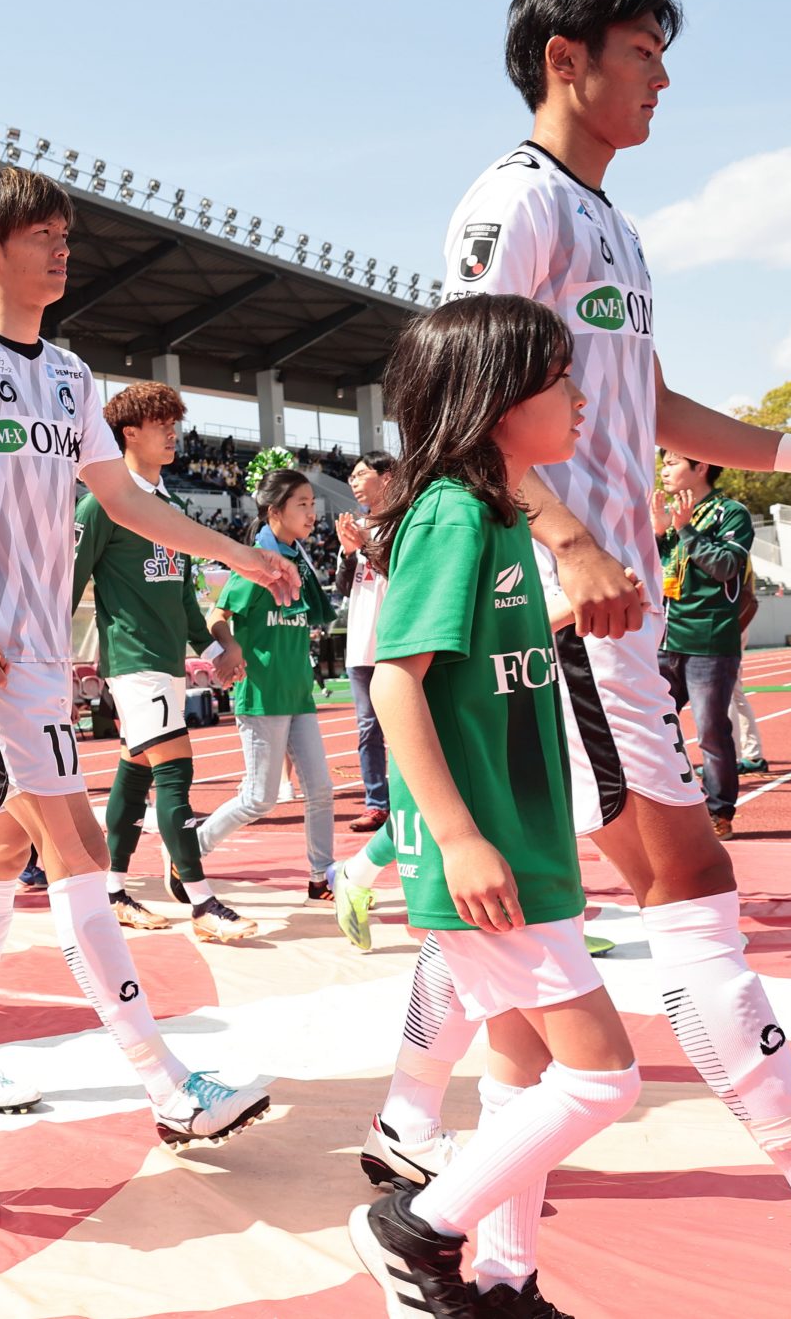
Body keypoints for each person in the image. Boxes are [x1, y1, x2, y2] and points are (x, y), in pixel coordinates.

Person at [393, 0, 791, 1279]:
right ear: (565, 59)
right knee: (683, 888)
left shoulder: (611, 226)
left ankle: (465, 1229)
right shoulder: (513, 206)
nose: (663, 77)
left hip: (615, 606)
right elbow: (462, 401)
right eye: (642, 50)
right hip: (568, 615)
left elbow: (652, 401)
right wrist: (566, 543)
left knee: (534, 947)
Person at [0, 165, 298, 1140]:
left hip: (39, 657)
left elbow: (121, 500)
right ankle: (167, 1085)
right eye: (41, 235)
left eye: (64, 234)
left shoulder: (71, 376)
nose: (61, 249)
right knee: (74, 854)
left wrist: (238, 553)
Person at [347, 293, 639, 1319]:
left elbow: (486, 650)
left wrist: (579, 599)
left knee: (519, 1065)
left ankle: (506, 1281)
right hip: (487, 852)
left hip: (521, 840)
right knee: (603, 1079)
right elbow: (397, 681)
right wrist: (460, 837)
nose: (579, 398)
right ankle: (416, 1226)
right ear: (498, 400)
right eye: (558, 380)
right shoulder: (453, 514)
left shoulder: (499, 513)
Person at [68, 381, 247, 939]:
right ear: (128, 434)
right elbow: (65, 588)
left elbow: (185, 600)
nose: (173, 433)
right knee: (176, 770)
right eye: (161, 424)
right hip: (132, 660)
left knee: (135, 771)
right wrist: (49, 665)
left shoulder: (172, 510)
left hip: (167, 663)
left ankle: (113, 892)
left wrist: (217, 649)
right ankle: (202, 902)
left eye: (175, 423)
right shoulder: (100, 505)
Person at [196, 469, 339, 907]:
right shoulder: (256, 563)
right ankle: (190, 851)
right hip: (262, 696)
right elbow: (216, 616)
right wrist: (231, 647)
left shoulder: (299, 562)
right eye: (302, 504)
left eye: (313, 504)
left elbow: (312, 615)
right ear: (274, 512)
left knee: (321, 790)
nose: (312, 513)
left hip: (298, 695)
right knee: (259, 799)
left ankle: (321, 877)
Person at [653, 450, 754, 839]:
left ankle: (719, 813)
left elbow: (725, 567)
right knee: (653, 726)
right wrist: (658, 535)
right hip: (664, 638)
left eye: (672, 463)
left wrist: (684, 531)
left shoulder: (732, 513)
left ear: (701, 467)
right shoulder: (668, 514)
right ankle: (669, 807)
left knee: (711, 732)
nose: (664, 470)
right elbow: (658, 570)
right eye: (663, 463)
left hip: (710, 640)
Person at [334, 450, 398, 835]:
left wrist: (364, 546)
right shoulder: (355, 527)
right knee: (368, 730)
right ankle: (377, 804)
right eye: (351, 478)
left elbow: (400, 572)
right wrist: (348, 553)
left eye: (360, 474)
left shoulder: (404, 521)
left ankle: (415, 802)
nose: (354, 483)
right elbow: (345, 587)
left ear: (386, 476)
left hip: (397, 643)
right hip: (360, 645)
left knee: (409, 726)